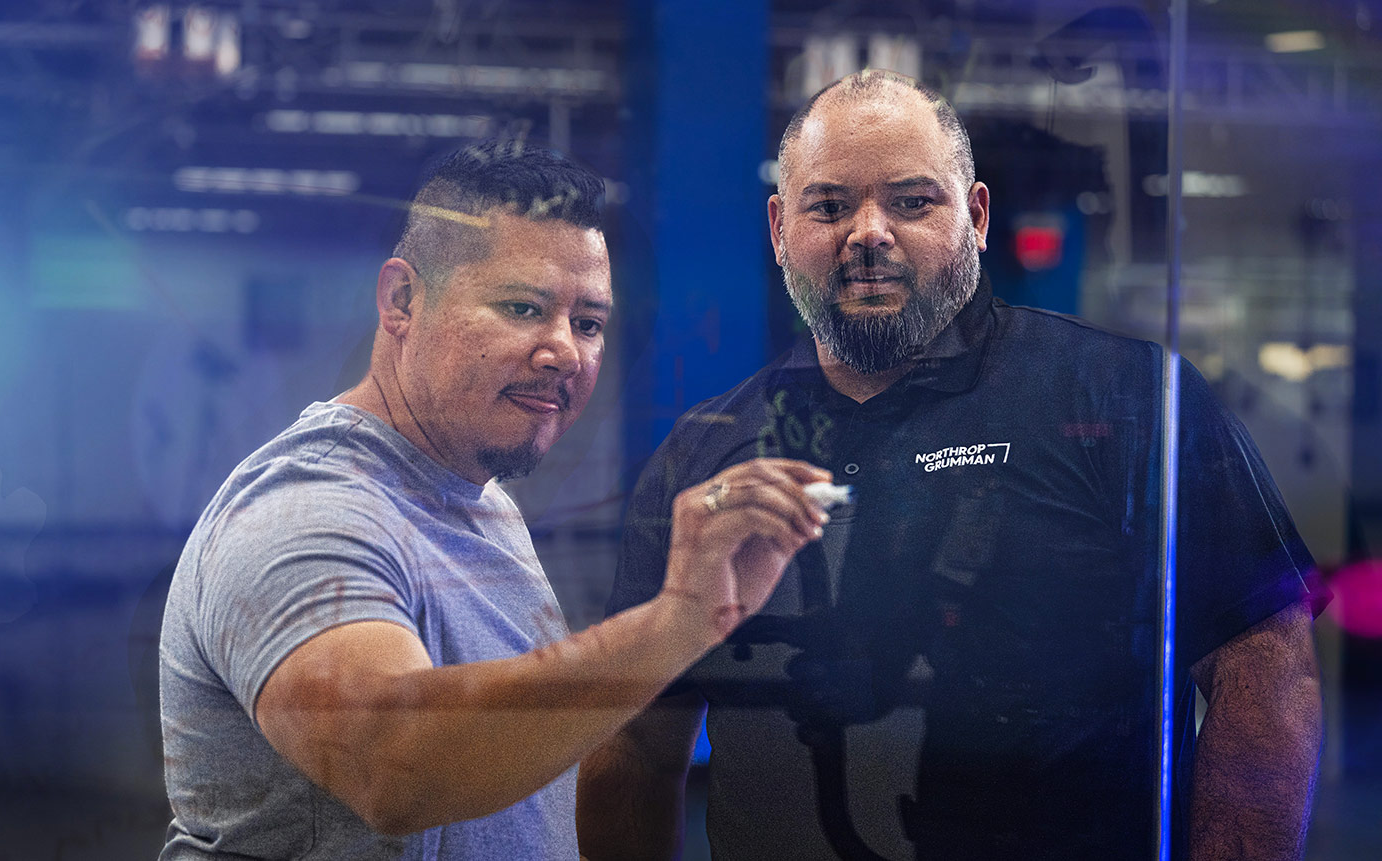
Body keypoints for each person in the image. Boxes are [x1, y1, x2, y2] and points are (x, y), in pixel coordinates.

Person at [577, 71, 1325, 861]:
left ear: (975, 215)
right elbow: (636, 743)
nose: (868, 232)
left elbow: (1264, 667)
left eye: (911, 201)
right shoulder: (706, 450)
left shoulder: (1127, 398)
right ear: (778, 227)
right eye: (828, 205)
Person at [156, 139, 835, 860]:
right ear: (402, 300)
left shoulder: (479, 497)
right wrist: (678, 621)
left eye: (589, 323)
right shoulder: (303, 511)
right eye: (522, 306)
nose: (565, 351)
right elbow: (394, 764)